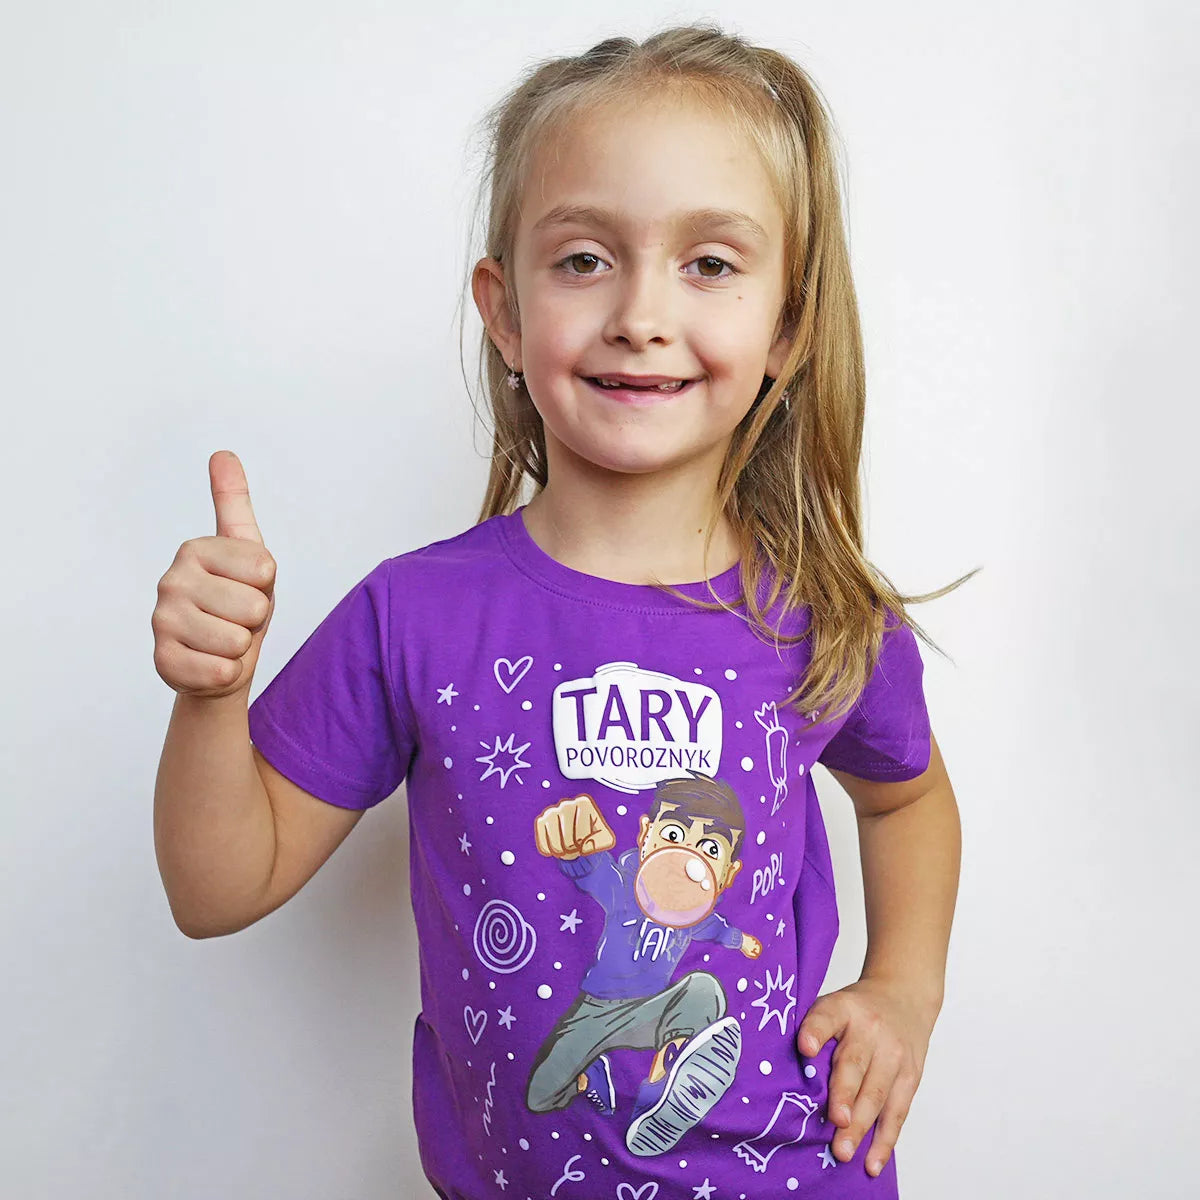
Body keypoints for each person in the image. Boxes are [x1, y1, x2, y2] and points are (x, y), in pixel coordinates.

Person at [151, 23, 968, 1200]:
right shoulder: (413, 616)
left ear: (787, 326)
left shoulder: (822, 613)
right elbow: (216, 890)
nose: (640, 312)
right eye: (585, 258)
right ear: (505, 310)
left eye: (709, 264)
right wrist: (209, 698)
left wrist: (905, 988)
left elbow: (906, 798)